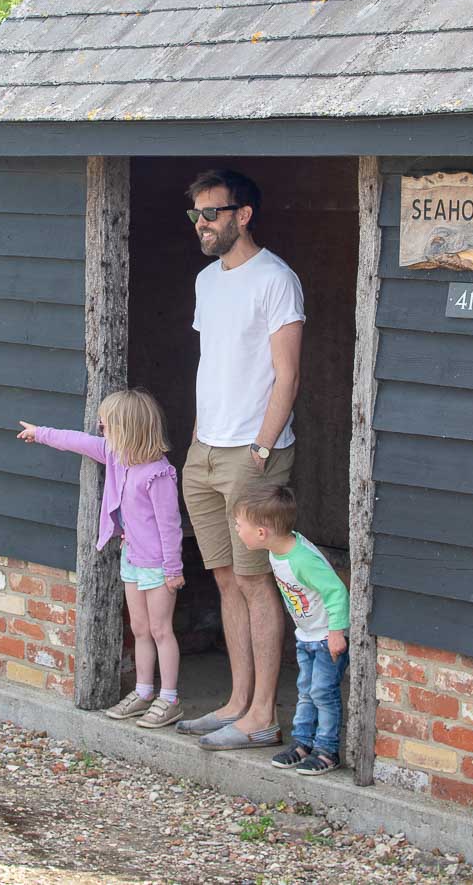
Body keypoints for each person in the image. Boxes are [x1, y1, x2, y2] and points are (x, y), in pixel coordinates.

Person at [178, 168, 305, 751]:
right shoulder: (207, 280)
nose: (201, 224)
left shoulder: (276, 279)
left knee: (257, 584)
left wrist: (261, 446)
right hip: (204, 452)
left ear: (243, 215)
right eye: (196, 215)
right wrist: (198, 442)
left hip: (253, 455)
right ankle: (235, 701)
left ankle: (262, 717)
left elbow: (287, 374)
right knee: (227, 579)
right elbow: (217, 363)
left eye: (212, 213)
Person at [16, 388, 185, 728]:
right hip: (132, 559)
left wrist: (173, 569)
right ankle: (143, 691)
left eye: (106, 424)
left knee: (160, 629)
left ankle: (170, 699)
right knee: (139, 628)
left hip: (158, 565)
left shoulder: (158, 474)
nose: (100, 428)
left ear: (127, 428)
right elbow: (76, 441)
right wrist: (40, 433)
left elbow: (171, 526)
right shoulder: (114, 455)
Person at [233, 484, 350, 775]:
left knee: (323, 692)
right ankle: (303, 744)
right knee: (306, 691)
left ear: (261, 533)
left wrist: (336, 632)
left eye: (240, 525)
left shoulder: (302, 559)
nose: (236, 529)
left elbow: (337, 591)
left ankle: (327, 750)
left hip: (325, 637)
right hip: (307, 636)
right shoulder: (277, 552)